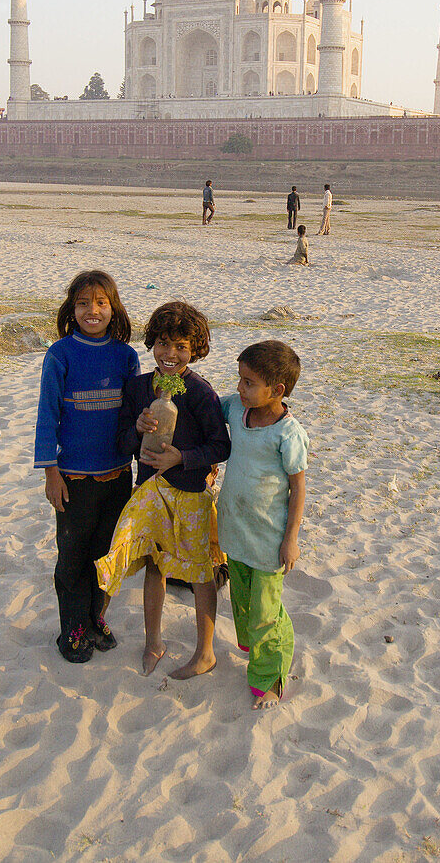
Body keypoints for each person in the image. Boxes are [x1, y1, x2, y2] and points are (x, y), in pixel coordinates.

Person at [96, 301, 231, 679]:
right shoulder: (139, 388)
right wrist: (137, 429)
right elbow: (123, 442)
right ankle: (153, 641)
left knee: (201, 570)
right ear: (152, 343)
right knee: (155, 564)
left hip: (190, 493)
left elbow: (221, 446)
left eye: (182, 348)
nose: (171, 354)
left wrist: (182, 458)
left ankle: (205, 651)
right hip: (150, 490)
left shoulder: (201, 393)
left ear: (196, 350)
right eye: (164, 343)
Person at [34, 271, 140, 663]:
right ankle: (73, 630)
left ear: (114, 309)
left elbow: (132, 415)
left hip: (117, 475)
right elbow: (47, 416)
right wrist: (50, 472)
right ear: (71, 308)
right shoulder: (60, 353)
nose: (91, 310)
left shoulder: (126, 357)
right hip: (73, 479)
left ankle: (95, 619)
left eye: (100, 303)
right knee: (73, 556)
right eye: (82, 303)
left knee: (104, 555)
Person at [217, 340, 309, 709]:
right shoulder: (237, 409)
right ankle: (254, 645)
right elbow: (206, 407)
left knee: (266, 614)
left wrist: (291, 540)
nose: (240, 388)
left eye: (249, 382)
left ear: (278, 390)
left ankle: (270, 678)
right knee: (242, 600)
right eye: (239, 379)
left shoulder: (288, 434)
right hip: (234, 529)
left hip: (268, 539)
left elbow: (298, 487)